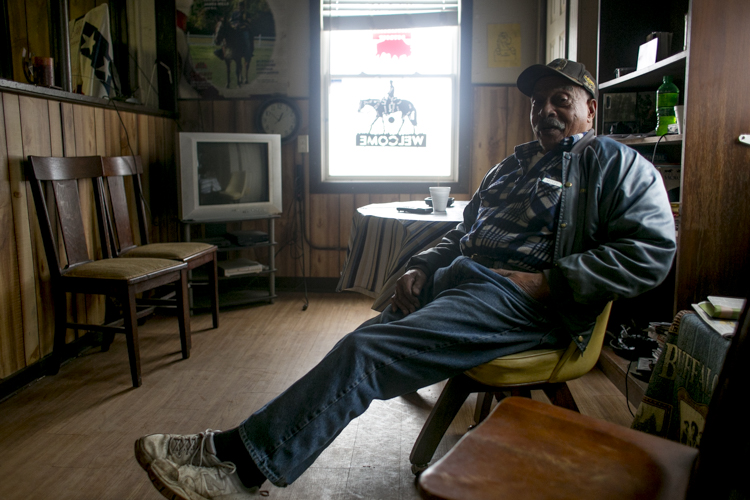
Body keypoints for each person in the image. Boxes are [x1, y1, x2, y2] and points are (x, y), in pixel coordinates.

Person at [134, 59, 677, 499]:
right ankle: (230, 450)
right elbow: (462, 234)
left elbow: (651, 251)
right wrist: (422, 266)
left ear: (591, 108)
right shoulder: (511, 166)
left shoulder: (613, 162)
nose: (547, 111)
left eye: (563, 100)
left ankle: (243, 469)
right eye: (539, 102)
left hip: (521, 300)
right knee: (359, 344)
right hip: (465, 278)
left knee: (366, 353)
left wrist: (551, 283)